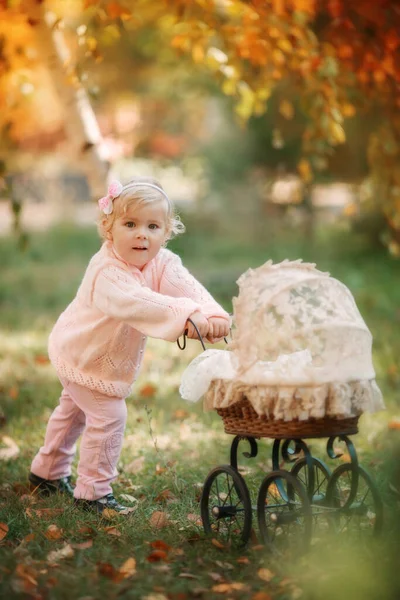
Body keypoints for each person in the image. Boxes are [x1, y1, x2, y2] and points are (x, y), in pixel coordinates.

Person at [29, 176, 230, 514]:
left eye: (153, 226)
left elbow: (187, 287)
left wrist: (211, 312)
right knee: (108, 416)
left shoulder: (162, 262)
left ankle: (46, 472)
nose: (142, 234)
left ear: (165, 233)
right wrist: (187, 317)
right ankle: (93, 493)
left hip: (92, 357)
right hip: (80, 354)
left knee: (74, 411)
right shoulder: (107, 272)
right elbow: (142, 302)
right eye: (130, 224)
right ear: (109, 228)